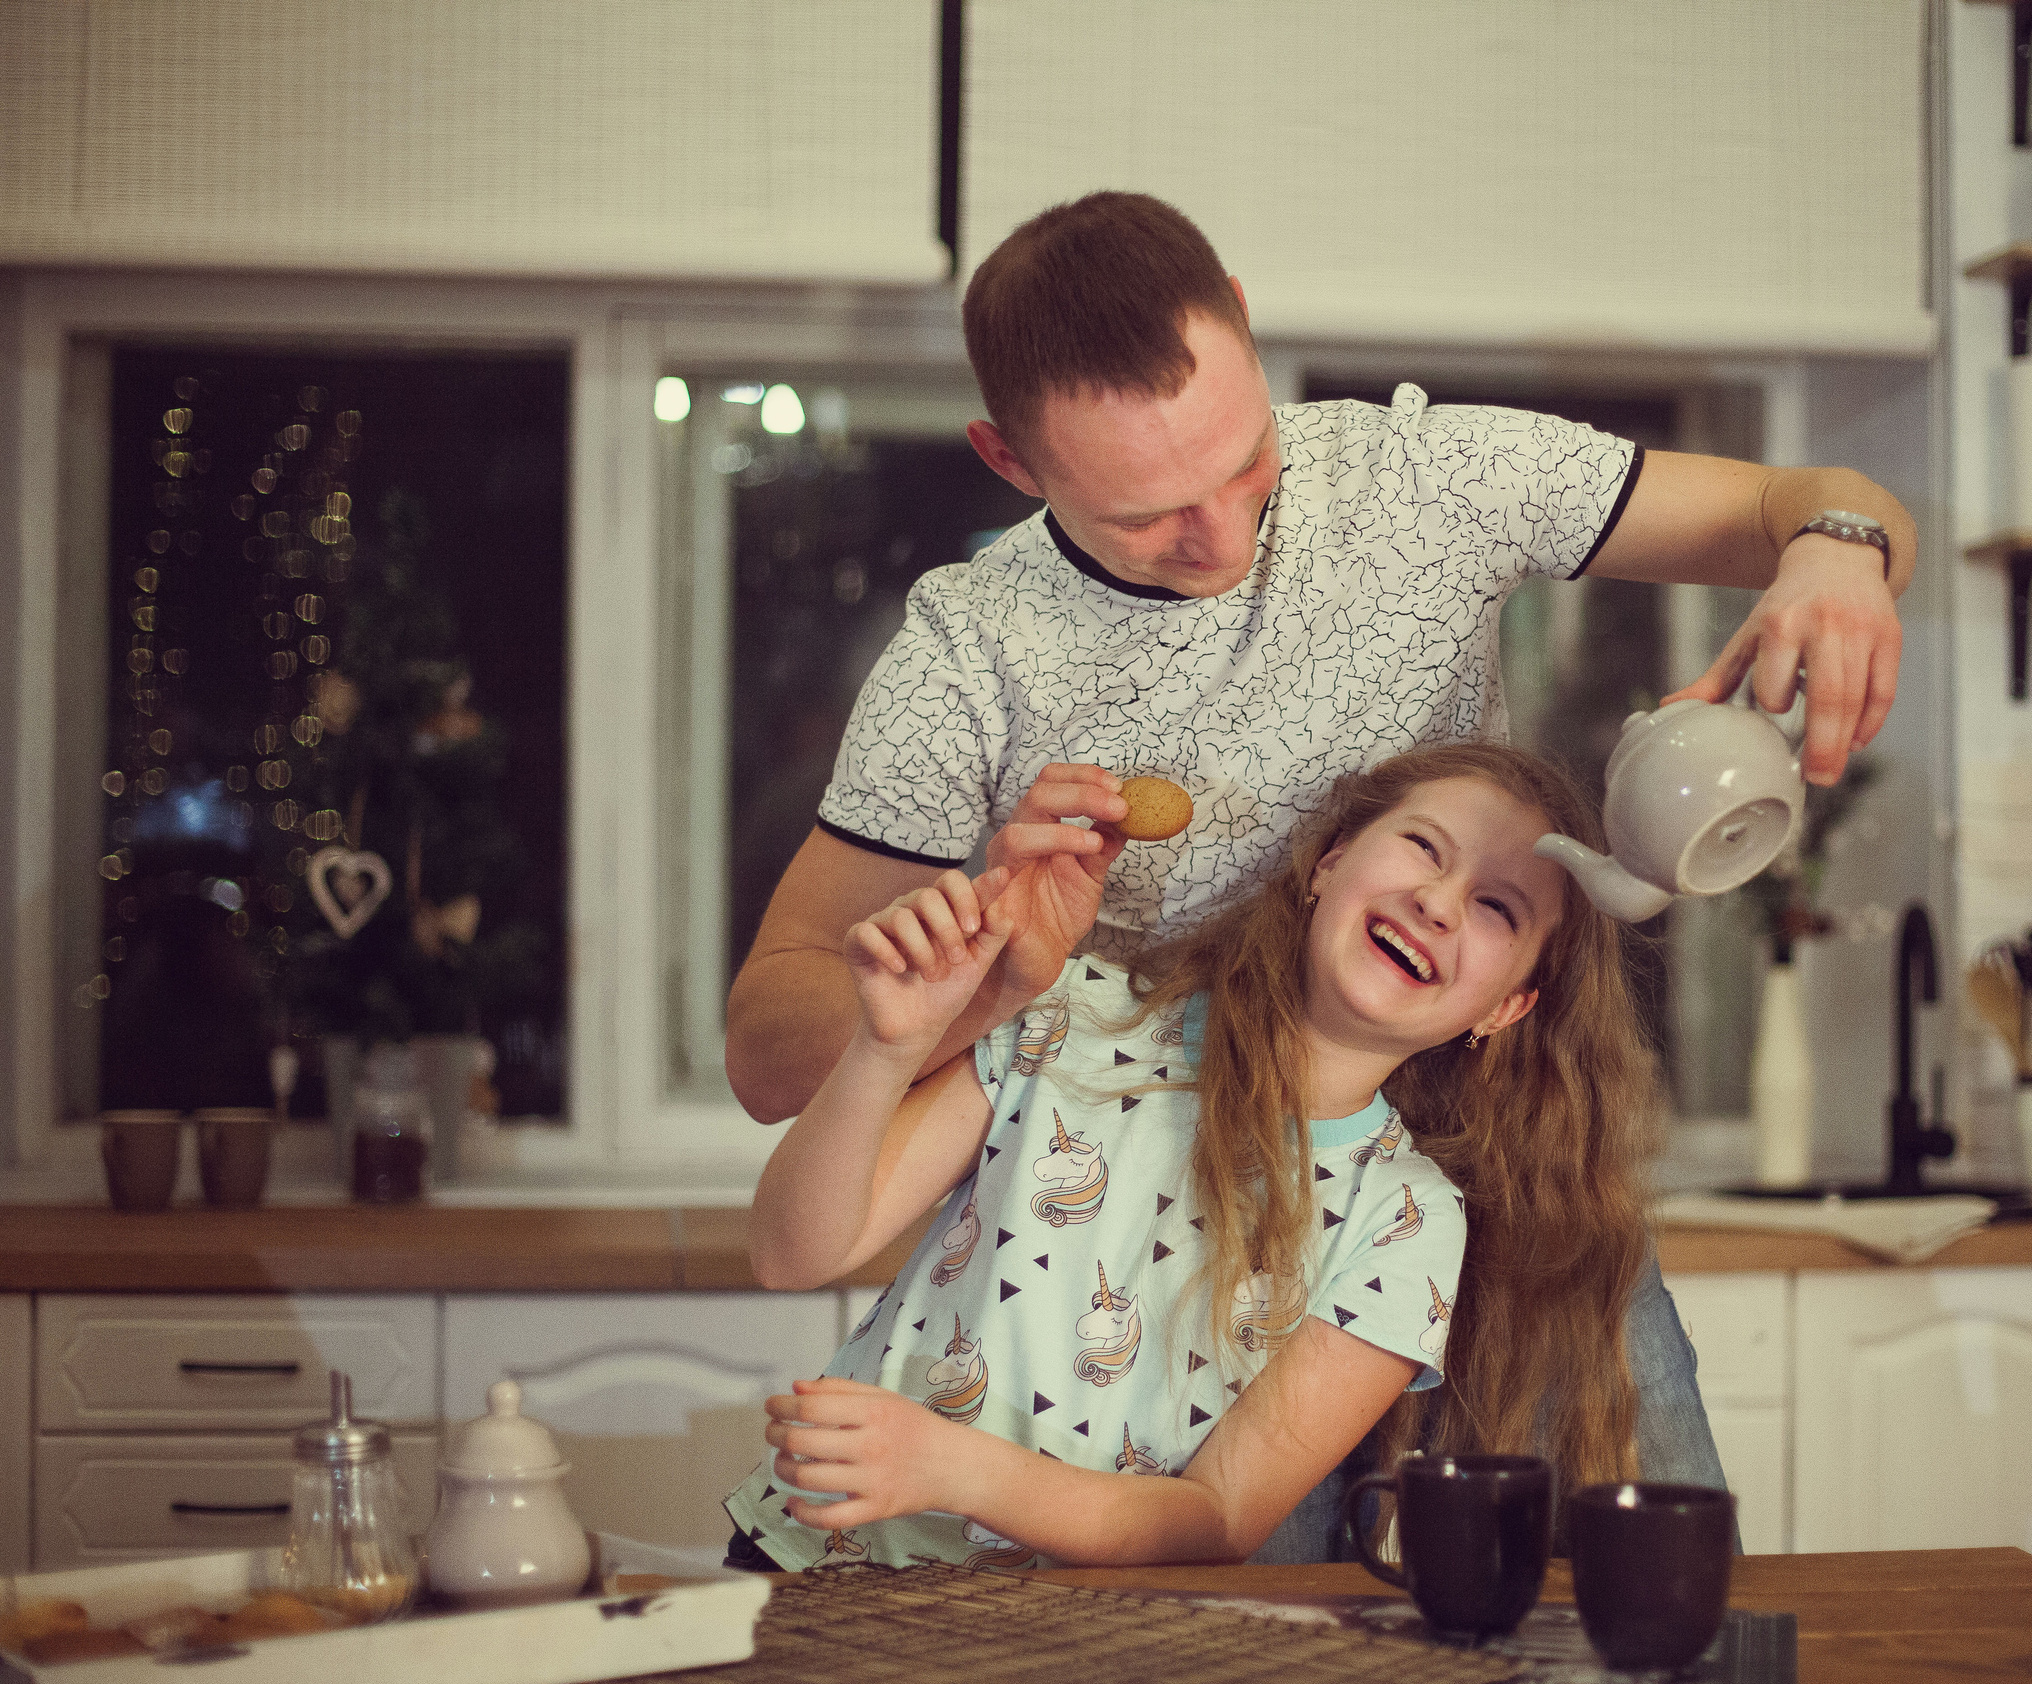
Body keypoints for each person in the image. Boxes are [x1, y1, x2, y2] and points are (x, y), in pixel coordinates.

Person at [727, 190, 1917, 1545]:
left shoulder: (1431, 479)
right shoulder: (964, 656)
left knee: (1649, 1581)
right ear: (1010, 460)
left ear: (1239, 312)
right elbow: (775, 1053)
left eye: (1243, 467)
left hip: (1485, 1168)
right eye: (1149, 518)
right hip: (1183, 1207)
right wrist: (993, 972)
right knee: (1251, 1626)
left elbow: (1809, 505)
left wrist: (1842, 549)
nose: (1226, 544)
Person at [724, 743, 1660, 1569]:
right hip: (807, 1566)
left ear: (1508, 1008)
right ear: (1327, 865)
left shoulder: (1408, 1225)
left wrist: (954, 1467)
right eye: (1423, 846)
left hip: (1056, 1653)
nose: (1437, 900)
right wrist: (885, 1051)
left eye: (1497, 906)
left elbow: (1217, 1517)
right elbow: (789, 1252)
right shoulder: (1076, 1011)